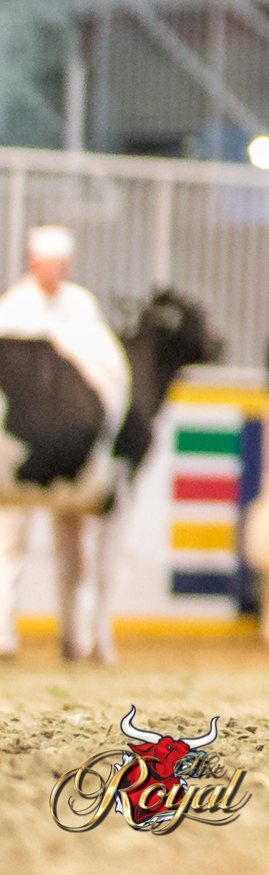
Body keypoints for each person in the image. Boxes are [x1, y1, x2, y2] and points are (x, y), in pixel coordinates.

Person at [0, 225, 129, 660]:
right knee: (10, 536)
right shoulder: (13, 308)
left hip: (74, 449)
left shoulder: (82, 306)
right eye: (48, 262)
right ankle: (4, 633)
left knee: (76, 543)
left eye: (61, 263)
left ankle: (76, 637)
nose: (55, 270)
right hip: (20, 449)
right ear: (32, 263)